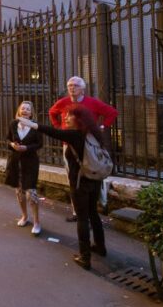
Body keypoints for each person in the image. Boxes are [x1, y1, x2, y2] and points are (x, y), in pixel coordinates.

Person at [20, 105, 107, 270]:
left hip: (80, 183)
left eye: (68, 116)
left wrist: (32, 124)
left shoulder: (75, 135)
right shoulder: (93, 133)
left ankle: (85, 257)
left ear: (78, 119)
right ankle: (101, 247)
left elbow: (53, 132)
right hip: (95, 179)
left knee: (82, 218)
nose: (65, 119)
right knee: (93, 214)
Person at [48, 76, 117, 222]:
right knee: (72, 178)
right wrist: (58, 127)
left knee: (90, 174)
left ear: (82, 88)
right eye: (69, 86)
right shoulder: (63, 102)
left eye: (75, 85)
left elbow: (112, 112)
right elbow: (52, 112)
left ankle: (95, 208)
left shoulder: (92, 102)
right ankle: (77, 212)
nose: (71, 88)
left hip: (89, 144)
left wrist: (102, 126)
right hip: (70, 144)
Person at [5, 101, 44, 236]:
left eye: (28, 109)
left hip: (30, 163)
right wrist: (13, 145)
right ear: (19, 111)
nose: (25, 111)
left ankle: (37, 222)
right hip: (15, 163)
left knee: (31, 193)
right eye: (23, 108)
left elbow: (40, 144)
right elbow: (7, 140)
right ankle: (24, 216)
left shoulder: (35, 127)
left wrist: (26, 148)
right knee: (19, 192)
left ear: (31, 112)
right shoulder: (13, 124)